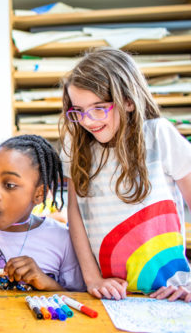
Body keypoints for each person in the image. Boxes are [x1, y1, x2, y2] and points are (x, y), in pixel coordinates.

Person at [60, 47, 191, 302]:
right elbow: (74, 214)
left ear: (128, 101)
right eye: (78, 110)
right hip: (111, 294)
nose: (87, 121)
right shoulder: (75, 146)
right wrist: (92, 279)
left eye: (99, 108)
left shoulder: (158, 135)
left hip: (171, 292)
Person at [0, 135, 85, 292]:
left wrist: (46, 283)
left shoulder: (62, 239)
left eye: (9, 185)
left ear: (39, 194)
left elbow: (79, 299)